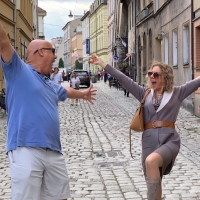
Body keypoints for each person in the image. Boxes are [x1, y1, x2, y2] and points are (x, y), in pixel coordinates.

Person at [0, 23, 96, 200]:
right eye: (53, 51)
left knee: (60, 197)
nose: (55, 57)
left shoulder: (49, 84)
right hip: (25, 147)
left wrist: (83, 94)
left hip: (53, 150)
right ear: (41, 52)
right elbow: (3, 41)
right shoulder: (18, 70)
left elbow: (66, 90)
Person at [90, 54, 200, 200]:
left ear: (165, 77)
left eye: (156, 74)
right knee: (154, 181)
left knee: (151, 161)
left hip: (169, 140)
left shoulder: (177, 93)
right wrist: (103, 64)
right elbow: (124, 80)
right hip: (148, 142)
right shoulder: (145, 93)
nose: (152, 77)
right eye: (150, 74)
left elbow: (197, 82)